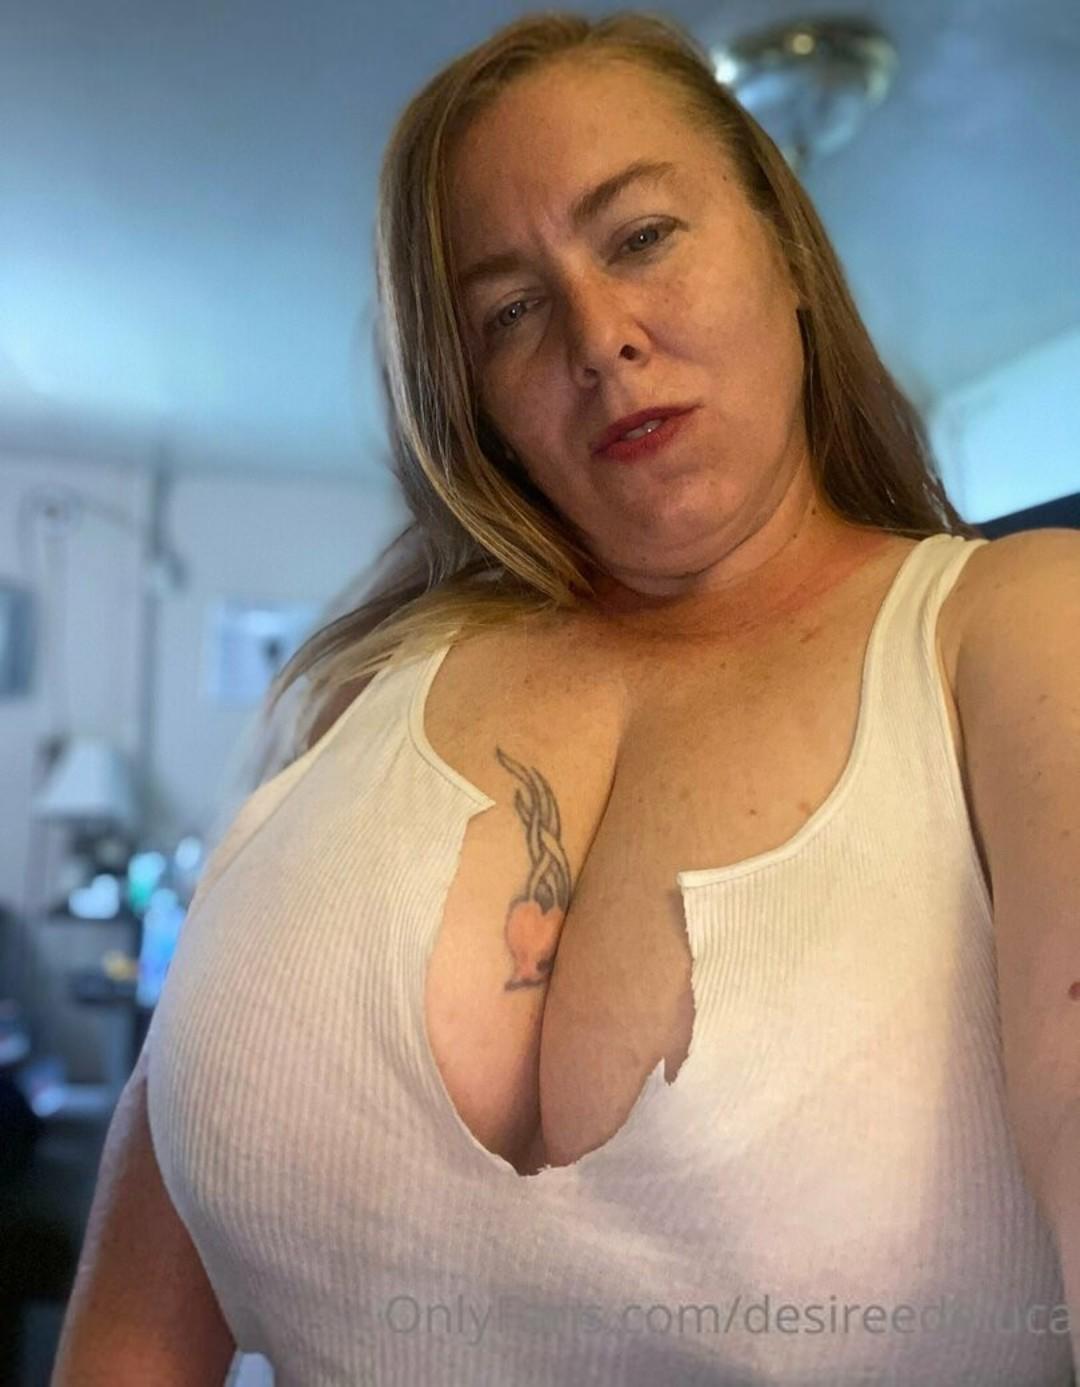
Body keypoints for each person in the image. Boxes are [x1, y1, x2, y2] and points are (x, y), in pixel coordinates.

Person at [52, 11, 1080, 1386]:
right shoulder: (350, 698)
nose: (600, 339)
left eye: (642, 236)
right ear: (474, 396)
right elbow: (145, 1289)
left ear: (785, 247)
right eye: (511, 312)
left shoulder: (1019, 629)